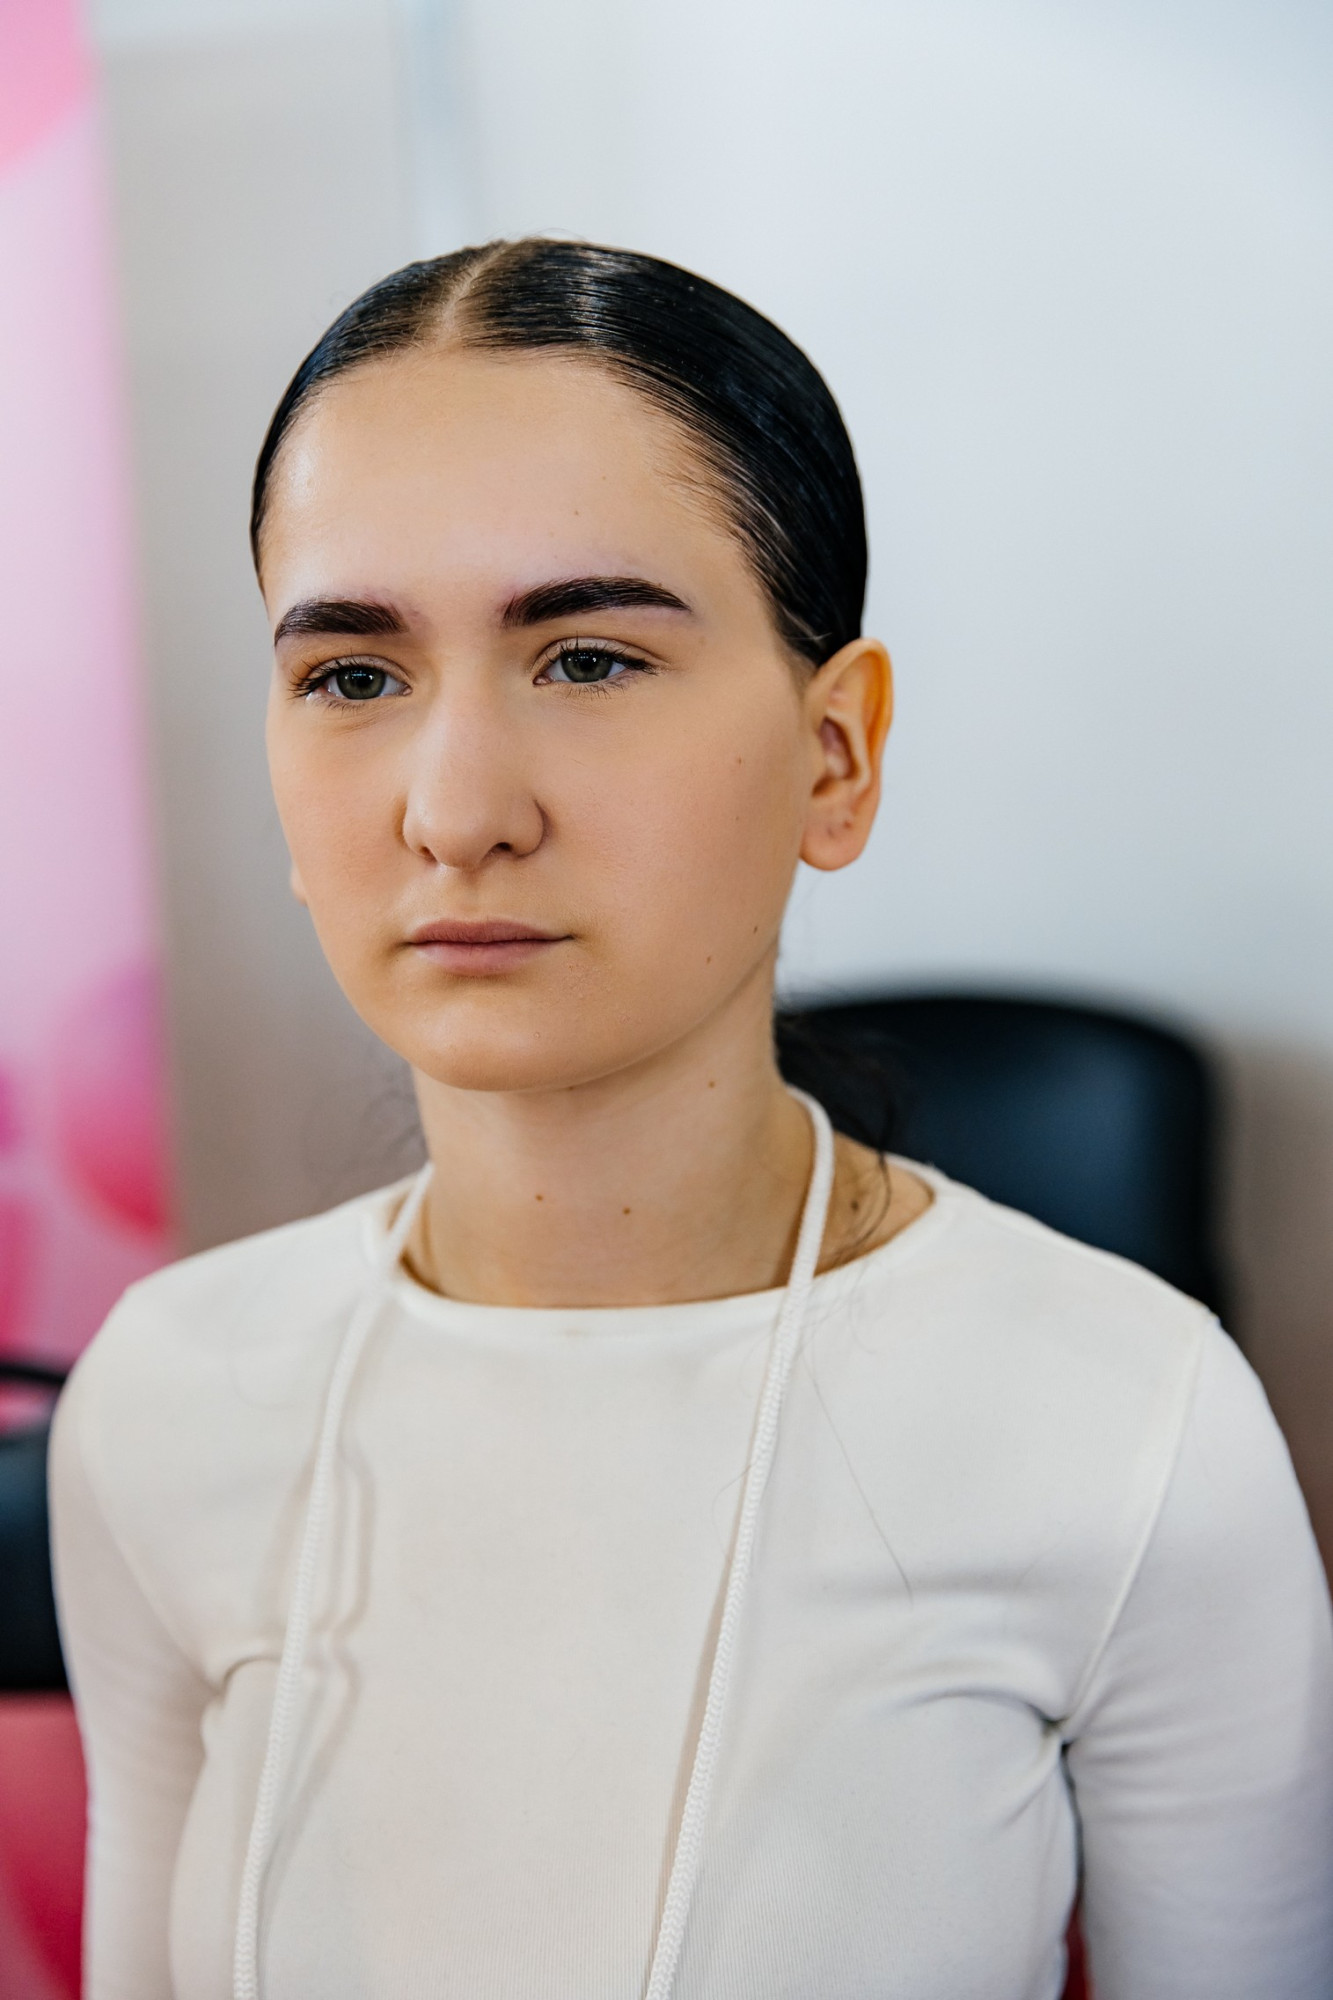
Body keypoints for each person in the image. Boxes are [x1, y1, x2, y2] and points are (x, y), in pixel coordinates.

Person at [51, 239, 1333, 2000]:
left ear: (834, 757)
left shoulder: (1129, 1430)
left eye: (585, 659)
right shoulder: (170, 1398)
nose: (454, 809)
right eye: (351, 676)